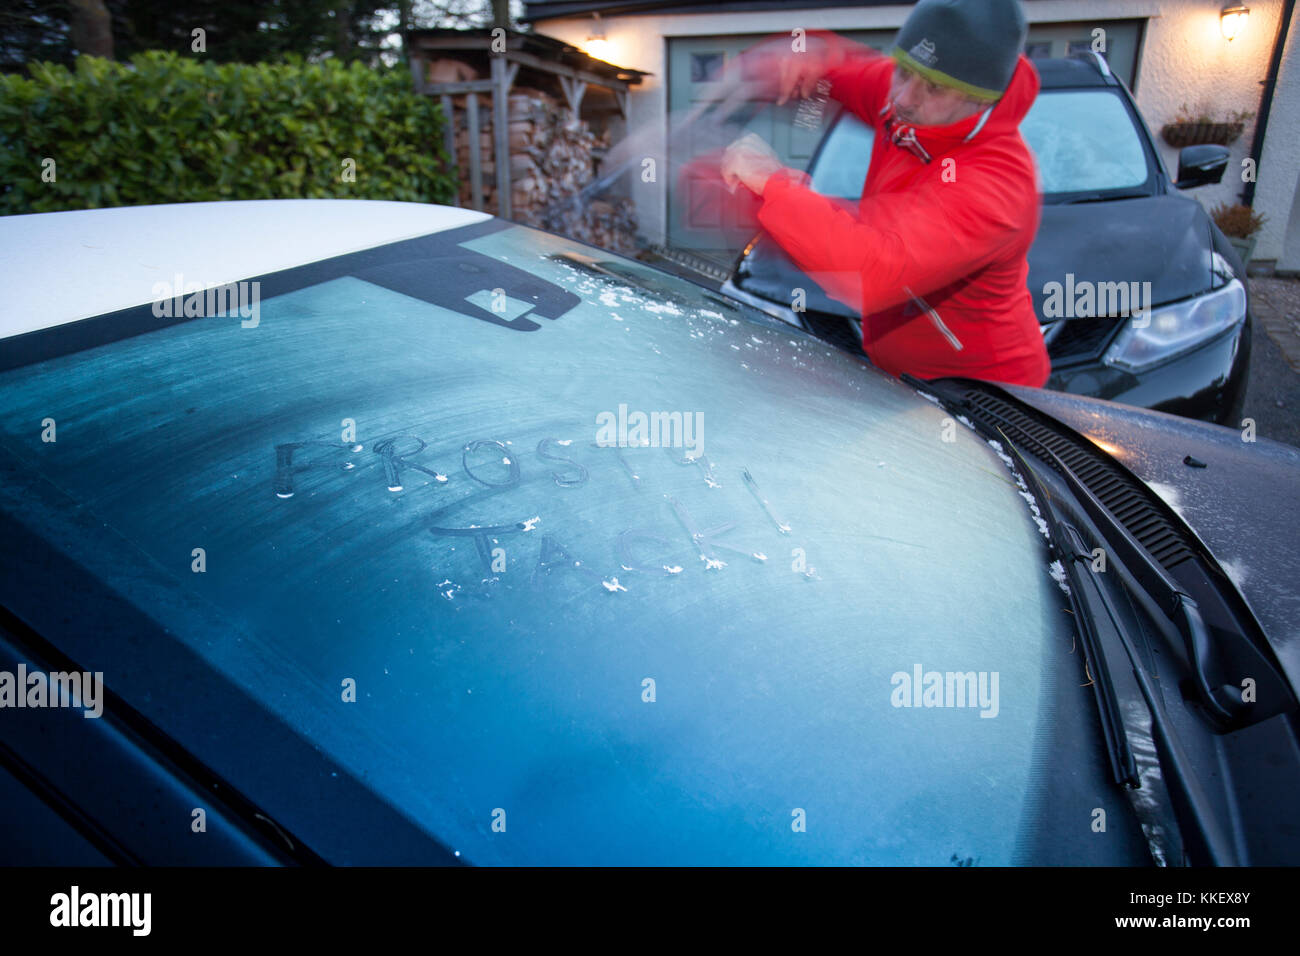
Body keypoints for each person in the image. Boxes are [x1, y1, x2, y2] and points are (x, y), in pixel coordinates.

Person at [719, 0, 1050, 387]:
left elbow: (873, 272)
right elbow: (845, 74)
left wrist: (772, 182)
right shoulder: (911, 101)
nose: (904, 98)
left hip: (980, 389)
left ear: (981, 100)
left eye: (934, 87)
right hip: (900, 374)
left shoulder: (996, 183)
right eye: (904, 72)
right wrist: (783, 65)